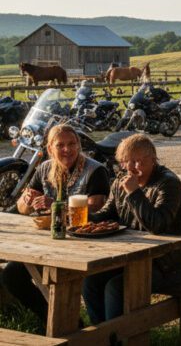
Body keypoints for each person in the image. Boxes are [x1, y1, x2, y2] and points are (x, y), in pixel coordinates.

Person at [3, 125, 110, 324]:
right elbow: (22, 209)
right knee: (12, 275)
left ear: (79, 146)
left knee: (62, 276)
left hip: (85, 246)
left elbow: (96, 208)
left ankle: (72, 328)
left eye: (72, 144)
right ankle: (56, 321)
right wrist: (27, 200)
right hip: (50, 243)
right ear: (50, 148)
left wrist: (56, 206)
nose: (66, 150)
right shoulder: (44, 168)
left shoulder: (96, 170)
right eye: (60, 145)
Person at [82, 134, 181, 324]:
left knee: (116, 286)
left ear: (153, 159)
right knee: (91, 281)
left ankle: (119, 337)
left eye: (138, 162)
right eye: (126, 162)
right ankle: (101, 335)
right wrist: (81, 217)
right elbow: (108, 214)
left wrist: (134, 193)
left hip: (169, 263)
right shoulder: (120, 182)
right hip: (132, 258)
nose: (131, 168)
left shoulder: (168, 184)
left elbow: (158, 225)